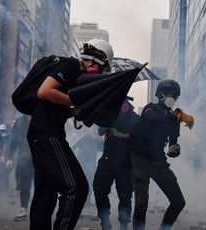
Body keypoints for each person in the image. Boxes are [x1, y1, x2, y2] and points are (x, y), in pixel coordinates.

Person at [26, 38, 114, 230]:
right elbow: (44, 91)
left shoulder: (76, 74)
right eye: (103, 67)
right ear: (97, 59)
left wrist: (74, 111)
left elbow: (57, 104)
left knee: (45, 194)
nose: (100, 72)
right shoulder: (71, 65)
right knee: (77, 187)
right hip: (47, 134)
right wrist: (74, 102)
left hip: (42, 133)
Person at [129, 80, 194, 230]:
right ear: (160, 95)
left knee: (178, 202)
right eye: (169, 94)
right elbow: (154, 119)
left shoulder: (174, 117)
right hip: (140, 160)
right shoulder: (150, 109)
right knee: (141, 204)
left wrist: (174, 149)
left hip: (159, 162)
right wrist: (176, 117)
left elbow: (173, 141)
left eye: (175, 96)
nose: (172, 98)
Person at [93, 98, 139, 230]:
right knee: (99, 189)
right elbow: (100, 132)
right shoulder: (111, 114)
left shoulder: (134, 117)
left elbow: (140, 136)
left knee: (125, 195)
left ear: (127, 102)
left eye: (122, 102)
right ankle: (105, 220)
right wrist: (108, 118)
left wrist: (122, 135)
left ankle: (124, 224)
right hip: (108, 159)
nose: (121, 106)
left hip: (126, 163)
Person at [6, 115, 34, 221]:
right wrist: (10, 158)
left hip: (40, 158)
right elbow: (14, 141)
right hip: (24, 158)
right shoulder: (19, 121)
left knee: (41, 185)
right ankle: (24, 208)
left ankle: (41, 209)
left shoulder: (41, 116)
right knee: (24, 185)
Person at [72, 128, 103, 206]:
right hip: (81, 162)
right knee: (79, 181)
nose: (95, 135)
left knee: (90, 181)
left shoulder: (98, 141)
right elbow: (74, 146)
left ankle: (87, 200)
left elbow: (104, 150)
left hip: (91, 164)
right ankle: (78, 199)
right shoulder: (86, 138)